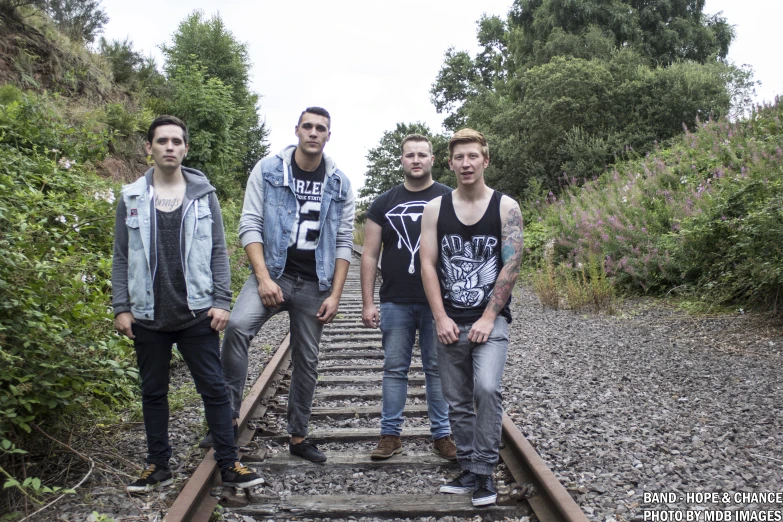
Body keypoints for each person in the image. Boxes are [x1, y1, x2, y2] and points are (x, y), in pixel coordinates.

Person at [112, 115, 263, 493]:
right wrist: (121, 306)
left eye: (176, 142)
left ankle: (229, 463)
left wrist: (221, 301)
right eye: (161, 141)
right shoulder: (130, 196)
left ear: (185, 148)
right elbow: (120, 256)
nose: (169, 147)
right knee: (153, 392)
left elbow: (218, 252)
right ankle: (157, 465)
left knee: (213, 388)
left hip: (197, 311)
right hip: (147, 314)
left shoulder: (203, 194)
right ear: (149, 148)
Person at [218, 107, 355, 463]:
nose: (313, 132)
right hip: (274, 273)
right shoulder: (268, 169)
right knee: (236, 328)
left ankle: (298, 436)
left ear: (328, 135)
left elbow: (343, 241)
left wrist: (336, 294)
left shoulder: (340, 182)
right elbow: (249, 223)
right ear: (297, 130)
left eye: (320, 128)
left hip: (314, 281)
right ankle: (226, 420)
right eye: (307, 126)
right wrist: (263, 278)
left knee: (307, 359)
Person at [420, 128, 524, 507]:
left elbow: (512, 263)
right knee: (458, 399)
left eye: (473, 156)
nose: (466, 163)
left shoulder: (505, 207)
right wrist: (440, 317)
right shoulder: (436, 209)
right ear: (450, 163)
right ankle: (469, 466)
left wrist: (488, 317)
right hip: (448, 320)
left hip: (489, 320)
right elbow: (427, 264)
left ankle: (484, 469)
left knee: (486, 389)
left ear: (486, 160)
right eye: (459, 157)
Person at [360, 134, 455, 460]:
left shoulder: (448, 198)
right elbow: (370, 255)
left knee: (436, 368)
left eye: (422, 155)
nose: (416, 160)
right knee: (394, 368)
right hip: (395, 300)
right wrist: (368, 301)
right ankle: (390, 435)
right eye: (410, 155)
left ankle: (443, 435)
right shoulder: (384, 202)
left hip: (438, 303)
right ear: (401, 160)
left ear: (432, 159)